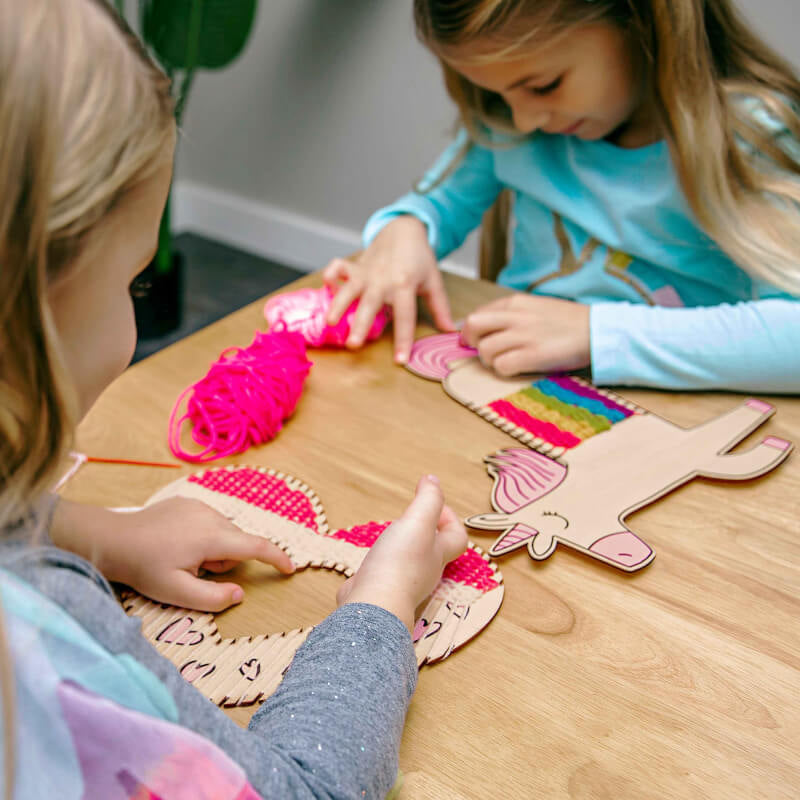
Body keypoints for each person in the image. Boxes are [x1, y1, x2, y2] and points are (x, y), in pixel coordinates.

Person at [0, 1, 466, 797]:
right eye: (130, 280)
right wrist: (381, 601)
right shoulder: (38, 636)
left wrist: (93, 532)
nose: (137, 302)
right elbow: (304, 788)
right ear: (31, 315)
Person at [324, 0, 800, 393]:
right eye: (496, 94)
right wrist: (403, 230)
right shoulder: (509, 125)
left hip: (669, 416)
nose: (525, 120)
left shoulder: (749, 136)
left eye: (544, 85)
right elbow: (432, 206)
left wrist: (596, 335)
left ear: (639, 18)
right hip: (512, 389)